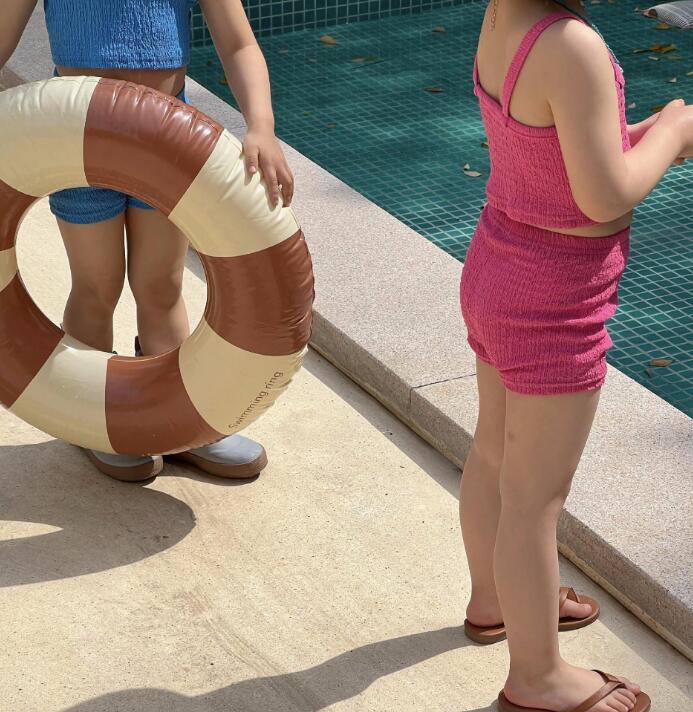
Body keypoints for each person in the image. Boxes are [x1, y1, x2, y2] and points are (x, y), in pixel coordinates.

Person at [459, 1, 692, 710]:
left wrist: (638, 135)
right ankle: (537, 677)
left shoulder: (504, 16)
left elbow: (551, 144)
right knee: (535, 499)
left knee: (494, 454)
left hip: (498, 266)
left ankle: (495, 598)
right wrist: (674, 134)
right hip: (555, 299)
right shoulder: (572, 45)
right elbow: (603, 195)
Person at [1, 0, 294, 481]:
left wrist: (261, 125)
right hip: (75, 139)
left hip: (167, 141)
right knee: (97, 285)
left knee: (161, 285)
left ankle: (178, 423)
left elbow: (238, 42)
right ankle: (91, 418)